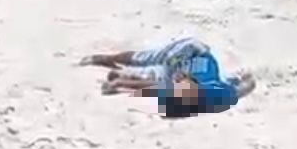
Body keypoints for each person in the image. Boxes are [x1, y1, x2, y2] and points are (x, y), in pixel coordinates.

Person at [79, 37, 256, 118]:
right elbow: (245, 87)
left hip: (184, 68)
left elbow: (157, 87)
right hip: (192, 51)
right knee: (149, 59)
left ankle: (112, 66)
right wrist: (246, 79)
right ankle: (107, 61)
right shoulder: (218, 94)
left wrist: (120, 83)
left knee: (147, 66)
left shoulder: (189, 90)